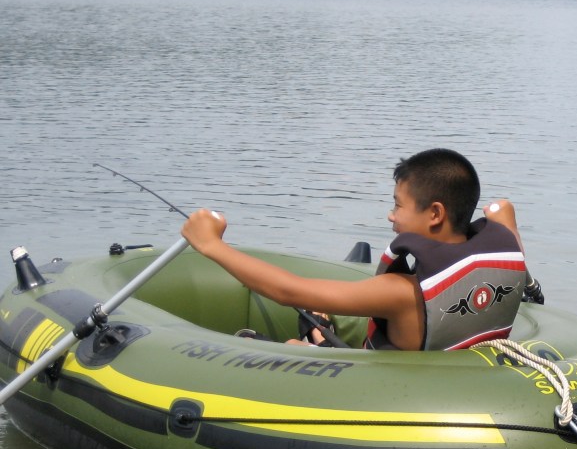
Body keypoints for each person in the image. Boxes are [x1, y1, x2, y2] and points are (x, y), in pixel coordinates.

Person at [181, 148, 531, 351]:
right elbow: (502, 210)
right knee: (317, 324)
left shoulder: (401, 293)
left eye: (398, 205)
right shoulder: (507, 250)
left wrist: (212, 245)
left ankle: (312, 338)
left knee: (288, 346)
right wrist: (501, 215)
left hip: (388, 395)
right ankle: (318, 332)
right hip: (456, 377)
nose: (391, 215)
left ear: (435, 214)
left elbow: (288, 291)